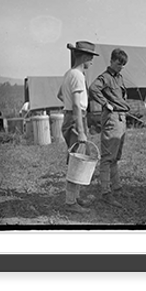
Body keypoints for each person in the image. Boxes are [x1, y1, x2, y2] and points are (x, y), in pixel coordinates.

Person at [57, 41, 99, 214]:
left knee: (78, 157)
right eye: (91, 58)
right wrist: (81, 130)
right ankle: (70, 202)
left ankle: (75, 197)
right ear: (85, 57)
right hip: (76, 119)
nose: (92, 62)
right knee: (78, 160)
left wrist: (69, 109)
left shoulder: (69, 74)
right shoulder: (78, 76)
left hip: (71, 117)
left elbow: (59, 94)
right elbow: (76, 105)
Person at [89, 48, 131, 208]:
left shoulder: (119, 78)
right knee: (107, 157)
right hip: (112, 118)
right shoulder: (105, 77)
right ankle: (106, 192)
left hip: (121, 117)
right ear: (112, 61)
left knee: (116, 157)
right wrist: (106, 103)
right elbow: (93, 88)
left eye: (123, 64)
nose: (121, 66)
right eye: (119, 63)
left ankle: (117, 188)